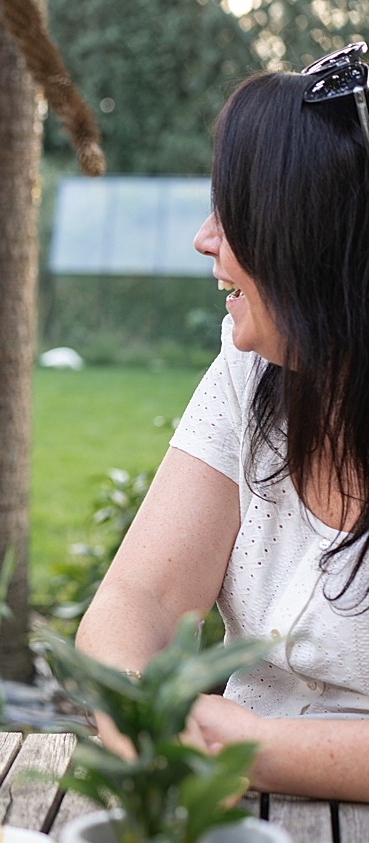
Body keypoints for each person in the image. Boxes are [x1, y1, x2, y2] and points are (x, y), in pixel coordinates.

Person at [78, 43, 369, 800]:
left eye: (235, 215)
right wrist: (145, 711)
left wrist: (253, 747)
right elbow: (136, 603)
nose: (205, 238)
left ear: (318, 242)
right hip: (233, 815)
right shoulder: (252, 376)